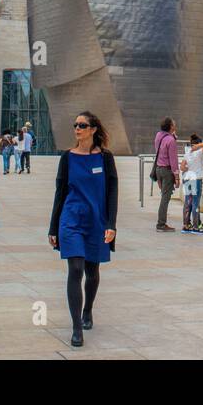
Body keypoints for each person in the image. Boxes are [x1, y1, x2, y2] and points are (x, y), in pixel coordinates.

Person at [49, 111, 118, 348]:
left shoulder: (105, 158)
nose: (77, 128)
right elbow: (60, 193)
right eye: (75, 125)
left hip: (96, 221)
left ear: (93, 130)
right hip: (71, 219)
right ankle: (77, 327)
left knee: (92, 270)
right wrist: (53, 227)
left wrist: (111, 225)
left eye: (82, 125)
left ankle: (88, 309)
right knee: (75, 268)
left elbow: (112, 192)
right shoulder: (67, 157)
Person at [180, 133, 203, 233]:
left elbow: (182, 167)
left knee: (187, 202)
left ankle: (186, 225)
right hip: (196, 179)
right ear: (198, 144)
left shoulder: (187, 152)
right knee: (195, 203)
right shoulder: (199, 152)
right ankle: (195, 226)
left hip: (187, 178)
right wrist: (199, 146)